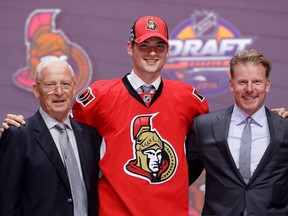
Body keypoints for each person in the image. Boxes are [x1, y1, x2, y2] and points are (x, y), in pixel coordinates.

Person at [1, 17, 288, 215]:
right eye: (144, 45)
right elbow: (59, 135)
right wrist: (23, 126)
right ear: (130, 47)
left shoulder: (190, 98)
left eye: (159, 46)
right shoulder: (97, 96)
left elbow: (218, 138)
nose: (152, 53)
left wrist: (268, 119)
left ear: (168, 50)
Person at [186, 49, 288, 215]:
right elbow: (179, 180)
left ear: (267, 85)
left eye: (256, 82)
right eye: (242, 82)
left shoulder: (284, 127)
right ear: (231, 85)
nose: (249, 89)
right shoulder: (204, 127)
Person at [0, 57, 101, 216]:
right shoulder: (18, 135)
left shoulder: (90, 137)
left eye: (65, 84)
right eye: (50, 84)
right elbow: (6, 203)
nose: (59, 92)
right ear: (36, 90)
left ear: (74, 88)